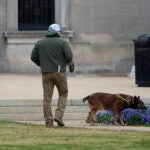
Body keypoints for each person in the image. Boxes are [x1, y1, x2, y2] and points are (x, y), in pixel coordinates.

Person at [31, 24, 73, 127]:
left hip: (46, 73)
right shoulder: (62, 42)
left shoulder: (40, 42)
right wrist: (66, 63)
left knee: (47, 98)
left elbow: (33, 57)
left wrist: (42, 65)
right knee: (63, 93)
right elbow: (69, 56)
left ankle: (48, 121)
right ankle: (58, 116)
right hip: (59, 72)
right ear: (58, 32)